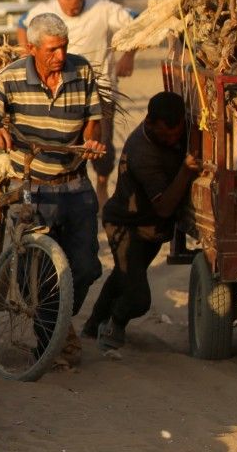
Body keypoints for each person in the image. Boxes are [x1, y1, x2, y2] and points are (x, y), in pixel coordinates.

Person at [0, 12, 105, 367]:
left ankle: (58, 323)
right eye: (52, 50)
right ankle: (53, 338)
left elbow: (94, 123)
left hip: (75, 182)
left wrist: (92, 143)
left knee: (88, 266)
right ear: (31, 48)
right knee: (35, 268)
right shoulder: (11, 76)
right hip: (30, 182)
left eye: (64, 47)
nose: (60, 56)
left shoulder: (83, 71)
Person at [84, 92, 200, 354]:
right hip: (125, 225)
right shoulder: (142, 151)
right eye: (166, 136)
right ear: (149, 123)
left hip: (151, 229)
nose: (172, 141)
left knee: (124, 276)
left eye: (177, 135)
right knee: (138, 298)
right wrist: (186, 169)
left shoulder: (179, 132)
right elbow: (165, 206)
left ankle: (92, 325)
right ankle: (115, 322)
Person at [16, 0, 135, 202]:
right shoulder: (44, 12)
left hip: (100, 88)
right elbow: (22, 24)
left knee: (102, 144)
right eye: (67, 4)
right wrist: (27, 54)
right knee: (62, 142)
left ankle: (101, 184)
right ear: (57, 0)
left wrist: (129, 55)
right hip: (59, 89)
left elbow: (136, 22)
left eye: (78, 3)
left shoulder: (102, 8)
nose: (73, 8)